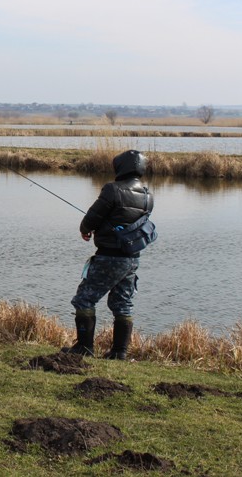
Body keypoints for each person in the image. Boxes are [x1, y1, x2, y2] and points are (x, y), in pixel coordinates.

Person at [63, 149, 154, 359]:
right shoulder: (148, 196)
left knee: (84, 299)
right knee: (123, 303)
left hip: (108, 256)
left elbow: (92, 217)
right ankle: (119, 352)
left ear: (121, 167)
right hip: (132, 259)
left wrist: (85, 229)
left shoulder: (112, 190)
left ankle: (84, 349)